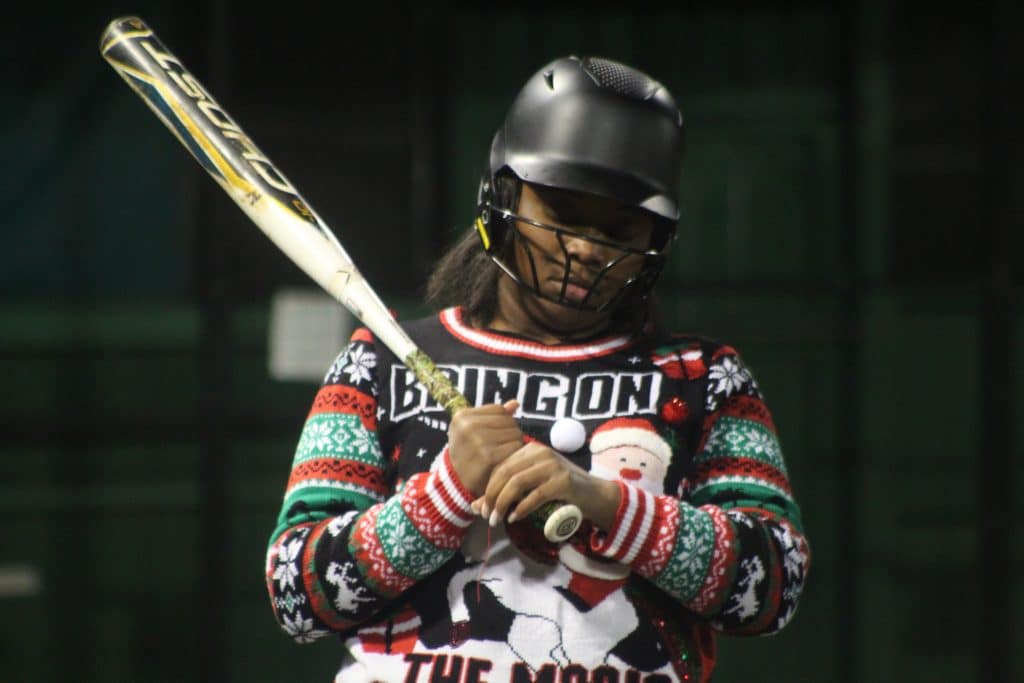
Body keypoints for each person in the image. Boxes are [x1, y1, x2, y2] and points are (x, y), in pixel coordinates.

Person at [265, 55, 810, 683]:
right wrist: (444, 493)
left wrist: (606, 505)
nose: (584, 247)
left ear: (655, 242)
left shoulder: (703, 377)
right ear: (502, 195)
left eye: (619, 229)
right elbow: (296, 594)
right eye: (563, 213)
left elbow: (773, 588)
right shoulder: (380, 364)